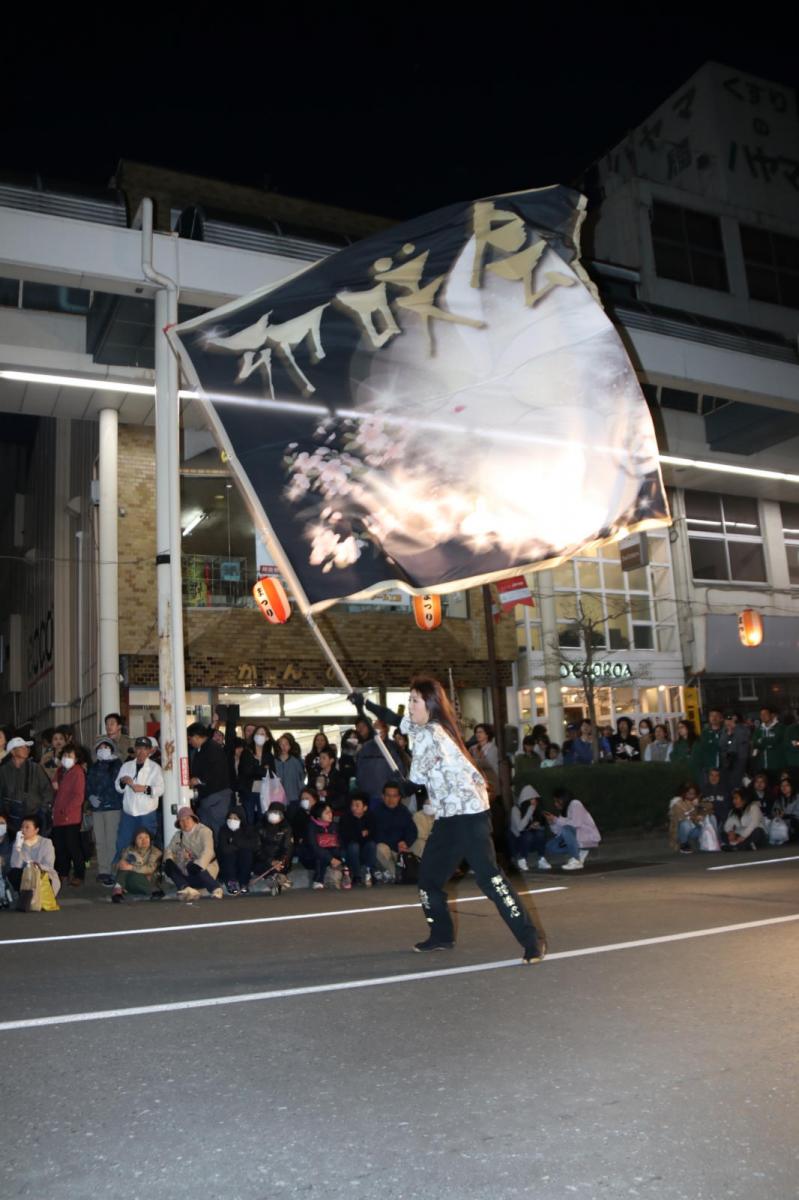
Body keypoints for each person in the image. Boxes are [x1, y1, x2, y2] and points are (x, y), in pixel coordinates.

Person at [401, 675, 545, 962]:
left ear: (429, 705)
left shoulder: (432, 733)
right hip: (448, 818)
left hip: (470, 817)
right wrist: (365, 704)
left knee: (490, 880)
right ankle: (441, 936)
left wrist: (402, 780)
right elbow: (401, 723)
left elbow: (415, 778)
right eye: (409, 699)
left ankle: (531, 939)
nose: (409, 706)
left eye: (415, 700)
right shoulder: (422, 728)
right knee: (428, 879)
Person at [114, 736, 164, 861]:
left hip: (147, 814)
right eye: (138, 748)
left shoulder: (155, 768)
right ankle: (121, 874)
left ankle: (146, 874)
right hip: (128, 813)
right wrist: (123, 781)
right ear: (135, 750)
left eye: (144, 749)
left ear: (149, 751)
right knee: (123, 843)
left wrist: (144, 789)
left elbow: (160, 789)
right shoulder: (126, 766)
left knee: (145, 846)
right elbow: (118, 787)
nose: (141, 752)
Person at [86, 736, 123, 886]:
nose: (103, 750)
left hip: (113, 807)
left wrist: (105, 798)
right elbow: (88, 785)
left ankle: (113, 871)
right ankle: (103, 871)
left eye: (106, 747)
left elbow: (117, 786)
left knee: (111, 840)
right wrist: (90, 797)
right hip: (97, 809)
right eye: (100, 748)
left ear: (112, 748)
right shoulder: (94, 766)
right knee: (100, 841)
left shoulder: (117, 764)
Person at [163, 807, 223, 900]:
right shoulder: (178, 835)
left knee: (193, 866)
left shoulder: (205, 831)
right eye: (181, 821)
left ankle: (216, 888)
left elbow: (208, 851)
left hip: (206, 870)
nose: (185, 822)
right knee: (169, 865)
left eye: (187, 819)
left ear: (193, 819)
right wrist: (169, 860)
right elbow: (169, 850)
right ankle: (186, 888)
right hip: (187, 871)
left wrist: (198, 864)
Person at [51, 743, 88, 887]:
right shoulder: (60, 771)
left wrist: (66, 811)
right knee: (60, 846)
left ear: (77, 758)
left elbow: (78, 796)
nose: (66, 758)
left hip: (70, 816)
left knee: (73, 846)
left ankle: (79, 874)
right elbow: (55, 790)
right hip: (58, 815)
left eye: (70, 755)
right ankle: (63, 873)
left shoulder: (78, 772)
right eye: (65, 755)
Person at [0, 736, 53, 837]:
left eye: (26, 747)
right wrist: (2, 814)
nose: (26, 750)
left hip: (35, 817)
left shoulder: (35, 768)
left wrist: (43, 809)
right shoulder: (3, 771)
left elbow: (47, 790)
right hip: (12, 820)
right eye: (22, 747)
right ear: (12, 752)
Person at [187, 722, 232, 837]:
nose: (189, 742)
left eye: (190, 739)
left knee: (216, 830)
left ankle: (217, 854)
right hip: (207, 797)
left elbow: (216, 771)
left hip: (217, 797)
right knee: (206, 832)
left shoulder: (212, 748)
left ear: (197, 737)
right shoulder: (201, 749)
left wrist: (198, 780)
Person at [540, 787, 601, 870]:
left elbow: (576, 823)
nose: (555, 804)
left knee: (566, 829)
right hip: (576, 838)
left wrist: (556, 820)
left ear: (562, 799)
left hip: (586, 837)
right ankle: (579, 851)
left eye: (557, 801)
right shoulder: (563, 812)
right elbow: (558, 832)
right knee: (550, 846)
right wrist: (552, 823)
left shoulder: (575, 803)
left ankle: (576, 859)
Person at [8, 815, 60, 901]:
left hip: (42, 875)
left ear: (36, 830)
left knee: (45, 877)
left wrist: (36, 865)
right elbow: (15, 865)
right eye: (22, 827)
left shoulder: (46, 843)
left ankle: (37, 898)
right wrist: (18, 847)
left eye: (27, 827)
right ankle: (26, 897)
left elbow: (49, 865)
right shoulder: (18, 843)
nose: (23, 830)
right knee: (13, 873)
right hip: (26, 876)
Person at [373, 781, 417, 882]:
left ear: (399, 797)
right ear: (383, 796)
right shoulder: (376, 812)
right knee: (379, 848)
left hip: (403, 848)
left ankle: (420, 872)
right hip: (388, 849)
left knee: (420, 843)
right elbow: (376, 835)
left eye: (394, 796)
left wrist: (406, 842)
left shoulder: (404, 811)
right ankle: (398, 874)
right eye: (388, 795)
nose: (391, 799)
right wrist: (397, 843)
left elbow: (412, 830)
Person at [110, 828, 162, 902]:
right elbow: (115, 869)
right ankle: (118, 890)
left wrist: (131, 867)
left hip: (147, 882)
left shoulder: (155, 852)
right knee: (124, 865)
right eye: (140, 838)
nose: (144, 840)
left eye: (146, 837)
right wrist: (118, 865)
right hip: (132, 881)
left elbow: (150, 869)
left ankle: (117, 890)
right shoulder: (129, 850)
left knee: (127, 868)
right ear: (135, 840)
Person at [218, 804, 259, 894]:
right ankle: (231, 882)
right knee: (229, 854)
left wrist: (235, 842)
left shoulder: (249, 829)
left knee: (246, 852)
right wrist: (240, 845)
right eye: (230, 817)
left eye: (235, 818)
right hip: (228, 862)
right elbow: (224, 848)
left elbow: (254, 845)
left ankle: (243, 882)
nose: (232, 820)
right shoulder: (224, 829)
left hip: (243, 859)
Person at [339, 791, 378, 886]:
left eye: (357, 805)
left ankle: (370, 873)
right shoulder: (346, 818)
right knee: (354, 846)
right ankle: (357, 876)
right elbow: (346, 836)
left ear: (365, 807)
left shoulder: (370, 817)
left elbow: (374, 834)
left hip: (364, 850)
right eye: (352, 805)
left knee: (372, 845)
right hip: (349, 851)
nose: (354, 808)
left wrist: (364, 834)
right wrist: (361, 834)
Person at [253, 801, 293, 889]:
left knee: (281, 866)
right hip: (263, 860)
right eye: (272, 812)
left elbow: (287, 848)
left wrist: (280, 861)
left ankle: (276, 878)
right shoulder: (259, 826)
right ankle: (277, 878)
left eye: (277, 813)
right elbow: (257, 849)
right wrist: (271, 861)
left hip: (280, 861)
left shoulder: (286, 828)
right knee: (262, 866)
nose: (274, 815)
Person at [509, 784, 548, 871]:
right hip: (518, 841)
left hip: (531, 841)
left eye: (535, 800)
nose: (534, 802)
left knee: (540, 834)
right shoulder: (516, 809)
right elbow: (519, 828)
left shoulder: (535, 809)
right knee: (528, 835)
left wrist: (537, 826)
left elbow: (542, 827)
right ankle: (522, 859)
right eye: (531, 800)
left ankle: (541, 859)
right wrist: (530, 810)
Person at [305, 800, 343, 889]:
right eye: (327, 813)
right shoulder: (311, 827)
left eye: (331, 812)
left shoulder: (334, 825)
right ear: (318, 816)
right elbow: (314, 846)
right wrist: (330, 858)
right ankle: (318, 880)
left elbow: (340, 842)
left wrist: (337, 857)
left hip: (332, 854)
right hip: (313, 856)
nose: (331, 815)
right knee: (320, 856)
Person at [668, 782, 712, 853]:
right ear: (684, 793)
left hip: (695, 827)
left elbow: (710, 807)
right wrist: (696, 815)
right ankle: (684, 844)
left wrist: (699, 805)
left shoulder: (697, 800)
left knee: (711, 819)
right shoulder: (677, 803)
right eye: (689, 793)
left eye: (693, 793)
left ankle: (709, 842)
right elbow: (682, 817)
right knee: (685, 824)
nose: (691, 795)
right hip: (680, 831)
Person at [750, 705, 786, 781]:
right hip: (762, 766)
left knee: (777, 788)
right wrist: (767, 742)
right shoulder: (758, 730)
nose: (763, 716)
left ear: (771, 715)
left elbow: (775, 740)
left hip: (777, 765)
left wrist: (762, 741)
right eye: (761, 715)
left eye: (765, 714)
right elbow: (755, 743)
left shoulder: (780, 727)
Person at [692, 708, 724, 789]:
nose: (714, 718)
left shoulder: (725, 732)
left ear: (721, 718)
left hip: (723, 769)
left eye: (716, 716)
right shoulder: (704, 733)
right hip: (708, 769)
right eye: (711, 716)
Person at [719, 713, 749, 797]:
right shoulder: (724, 730)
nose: (729, 722)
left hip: (739, 761)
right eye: (728, 720)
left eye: (732, 720)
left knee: (737, 785)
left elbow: (743, 740)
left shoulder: (743, 730)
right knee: (727, 785)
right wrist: (728, 733)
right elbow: (721, 744)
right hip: (727, 762)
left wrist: (734, 728)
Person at [315, 746, 348, 816]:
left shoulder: (338, 776)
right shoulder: (316, 774)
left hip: (334, 812)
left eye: (324, 758)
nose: (321, 760)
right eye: (320, 758)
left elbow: (343, 793)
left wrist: (328, 793)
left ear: (331, 760)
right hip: (320, 811)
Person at [274, 734, 305, 808]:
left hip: (293, 797)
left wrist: (302, 796)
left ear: (290, 746)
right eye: (281, 744)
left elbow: (301, 780)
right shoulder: (273, 761)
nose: (283, 747)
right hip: (277, 798)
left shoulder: (296, 761)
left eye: (286, 744)